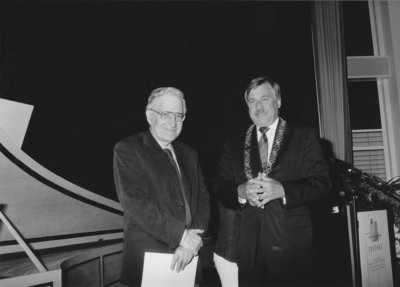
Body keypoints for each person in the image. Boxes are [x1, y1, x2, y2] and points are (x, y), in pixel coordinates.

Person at [213, 76, 331, 286]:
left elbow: (323, 183)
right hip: (249, 250)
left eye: (264, 99)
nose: (258, 107)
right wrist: (240, 191)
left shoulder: (303, 135)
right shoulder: (233, 143)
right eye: (252, 101)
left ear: (278, 101)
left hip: (292, 249)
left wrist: (284, 190)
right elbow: (220, 187)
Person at [113, 87, 210, 287]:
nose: (173, 122)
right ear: (150, 116)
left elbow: (203, 200)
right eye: (166, 114)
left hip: (188, 256)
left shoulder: (190, 153)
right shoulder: (128, 149)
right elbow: (134, 203)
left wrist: (191, 244)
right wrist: (182, 236)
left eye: (179, 115)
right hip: (149, 258)